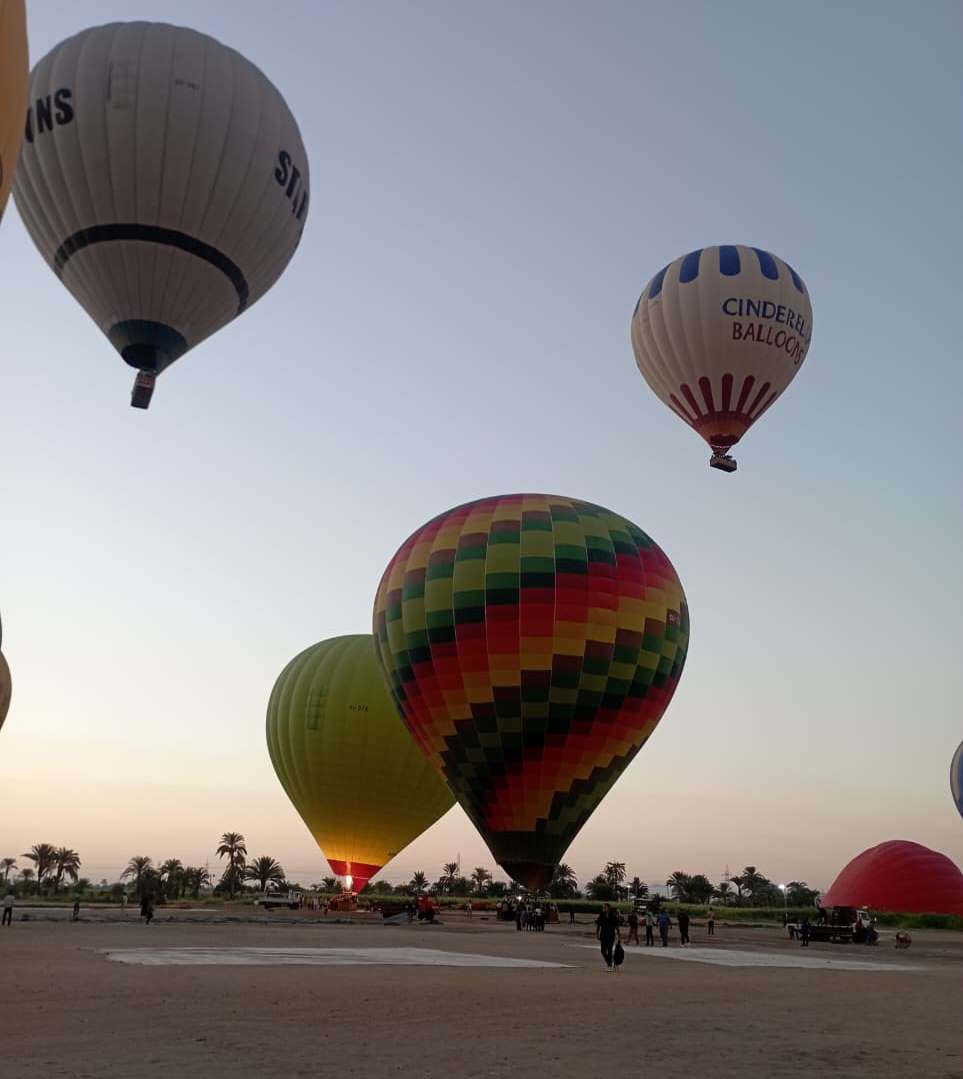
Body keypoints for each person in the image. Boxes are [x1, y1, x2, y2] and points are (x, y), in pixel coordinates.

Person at [596, 903, 621, 972]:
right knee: (603, 951)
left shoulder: (613, 916)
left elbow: (617, 927)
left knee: (610, 950)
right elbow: (598, 925)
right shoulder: (601, 915)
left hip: (611, 935)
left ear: (608, 908)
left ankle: (609, 965)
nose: (603, 909)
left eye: (605, 908)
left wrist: (619, 936)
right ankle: (610, 962)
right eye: (603, 908)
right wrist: (597, 934)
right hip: (603, 935)